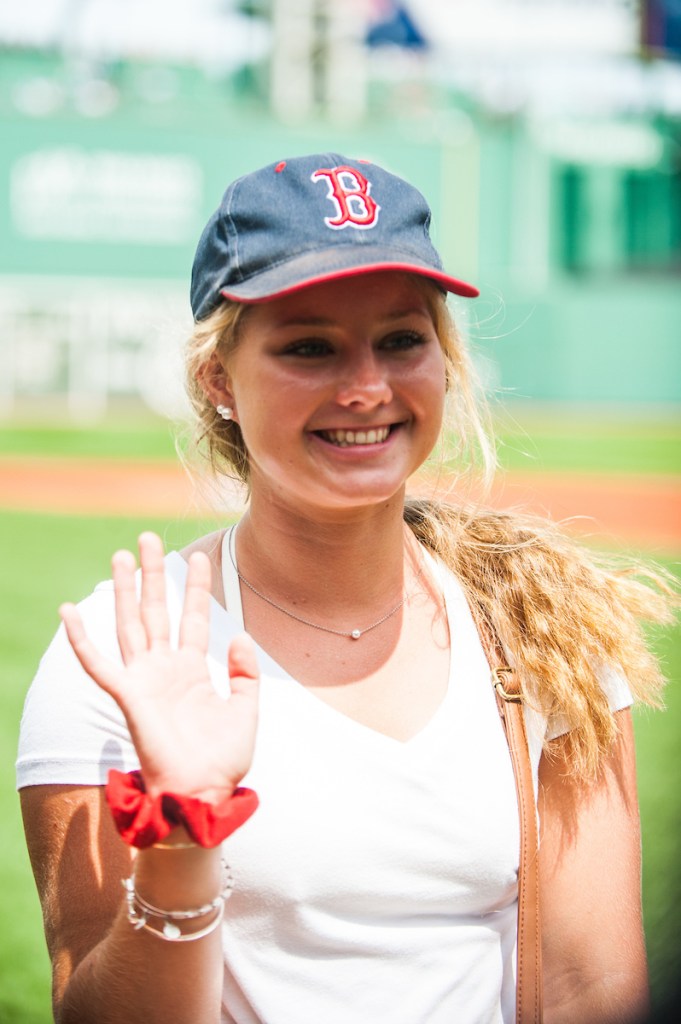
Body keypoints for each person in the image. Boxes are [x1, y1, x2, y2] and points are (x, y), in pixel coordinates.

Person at [17, 153, 675, 1024]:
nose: (367, 388)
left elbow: (593, 987)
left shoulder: (542, 629)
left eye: (402, 339)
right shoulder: (124, 657)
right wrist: (182, 834)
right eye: (309, 347)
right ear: (219, 382)